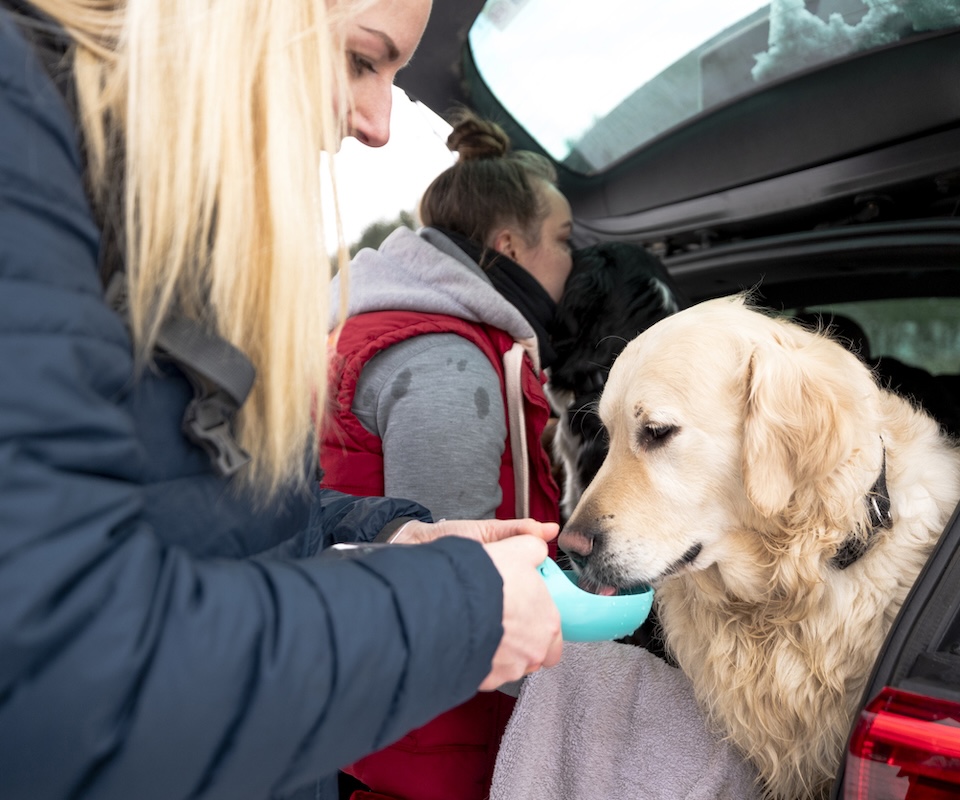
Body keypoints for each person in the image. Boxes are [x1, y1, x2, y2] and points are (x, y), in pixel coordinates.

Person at [0, 2, 562, 799]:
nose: (378, 125)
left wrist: (388, 535)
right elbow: (56, 667)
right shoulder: (24, 132)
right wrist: (464, 612)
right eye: (363, 61)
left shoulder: (161, 210)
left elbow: (200, 513)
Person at [320, 109, 571, 800]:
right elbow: (452, 582)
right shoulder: (447, 362)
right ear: (510, 245)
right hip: (430, 739)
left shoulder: (385, 326)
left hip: (366, 716)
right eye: (564, 239)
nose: (572, 261)